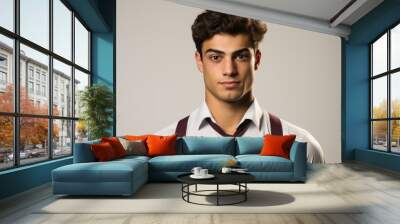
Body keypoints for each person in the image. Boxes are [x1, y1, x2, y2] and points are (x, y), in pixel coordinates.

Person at [156, 10, 324, 163]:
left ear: (256, 60)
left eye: (241, 57)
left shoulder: (304, 147)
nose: (229, 70)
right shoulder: (161, 147)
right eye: (215, 57)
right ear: (199, 61)